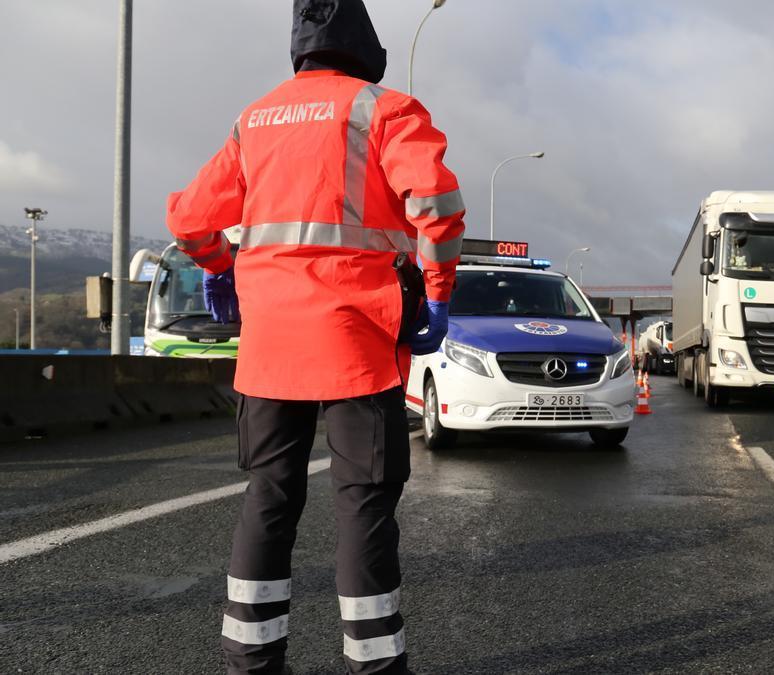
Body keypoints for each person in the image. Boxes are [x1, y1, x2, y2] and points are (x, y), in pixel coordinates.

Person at [165, 2, 465, 672]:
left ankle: (251, 660)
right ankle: (376, 664)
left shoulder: (255, 120)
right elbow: (437, 206)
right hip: (357, 342)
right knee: (362, 503)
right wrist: (438, 295)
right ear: (365, 45)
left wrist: (220, 265)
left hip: (270, 345)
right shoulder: (386, 111)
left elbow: (189, 217)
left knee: (269, 494)